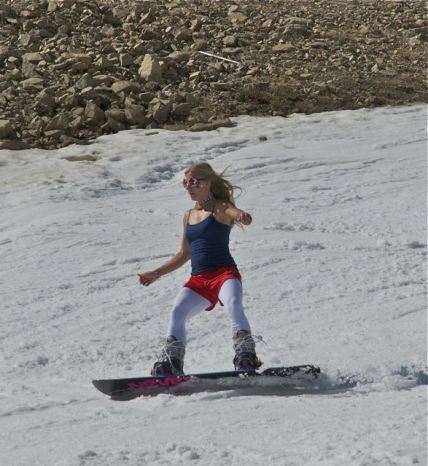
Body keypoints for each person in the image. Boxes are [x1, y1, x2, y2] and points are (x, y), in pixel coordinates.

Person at [138, 162, 261, 375]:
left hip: (224, 275)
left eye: (194, 182)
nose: (189, 187)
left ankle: (246, 356)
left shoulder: (220, 208)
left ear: (208, 183)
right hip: (199, 280)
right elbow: (184, 254)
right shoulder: (188, 216)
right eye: (186, 182)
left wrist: (241, 215)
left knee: (233, 304)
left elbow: (234, 211)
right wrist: (156, 273)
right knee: (177, 312)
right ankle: (172, 363)